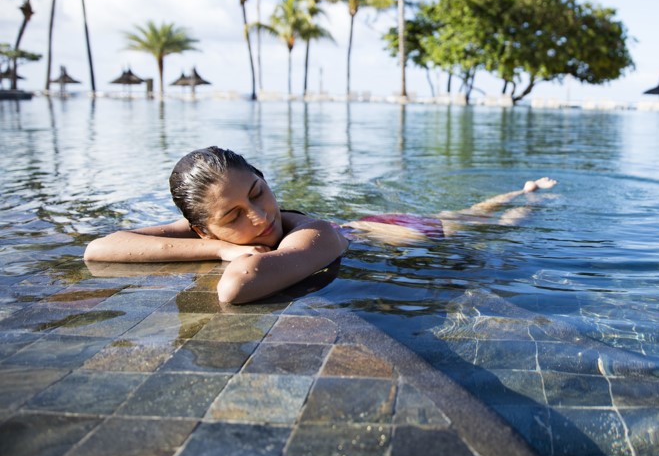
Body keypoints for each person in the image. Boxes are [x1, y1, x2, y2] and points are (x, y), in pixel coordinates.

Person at [84, 146, 557, 304]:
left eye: (257, 192)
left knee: (480, 221)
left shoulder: (315, 234)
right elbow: (100, 249)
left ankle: (525, 197)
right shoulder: (216, 236)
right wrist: (217, 248)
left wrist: (228, 247)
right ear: (206, 228)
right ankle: (522, 193)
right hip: (368, 226)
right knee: (472, 215)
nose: (261, 215)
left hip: (401, 230)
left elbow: (235, 288)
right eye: (233, 217)